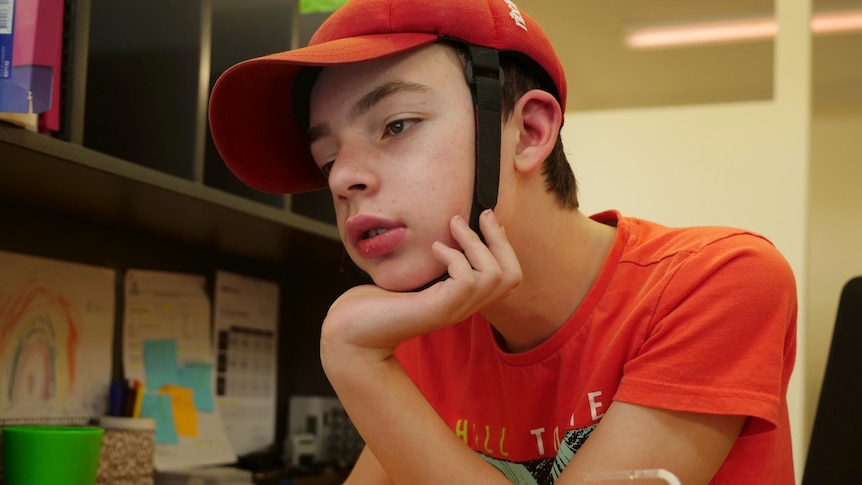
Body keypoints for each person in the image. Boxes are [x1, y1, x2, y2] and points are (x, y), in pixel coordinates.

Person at [208, 0, 797, 483]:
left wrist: (356, 362)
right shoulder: (428, 327)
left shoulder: (717, 280)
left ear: (530, 132)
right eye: (328, 157)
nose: (342, 178)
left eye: (395, 125)